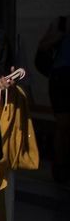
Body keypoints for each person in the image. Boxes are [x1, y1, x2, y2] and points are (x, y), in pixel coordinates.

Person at [37, 16, 70, 183]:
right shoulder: (61, 23)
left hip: (61, 78)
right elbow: (43, 46)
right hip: (61, 79)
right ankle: (60, 166)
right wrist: (60, 35)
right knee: (63, 125)